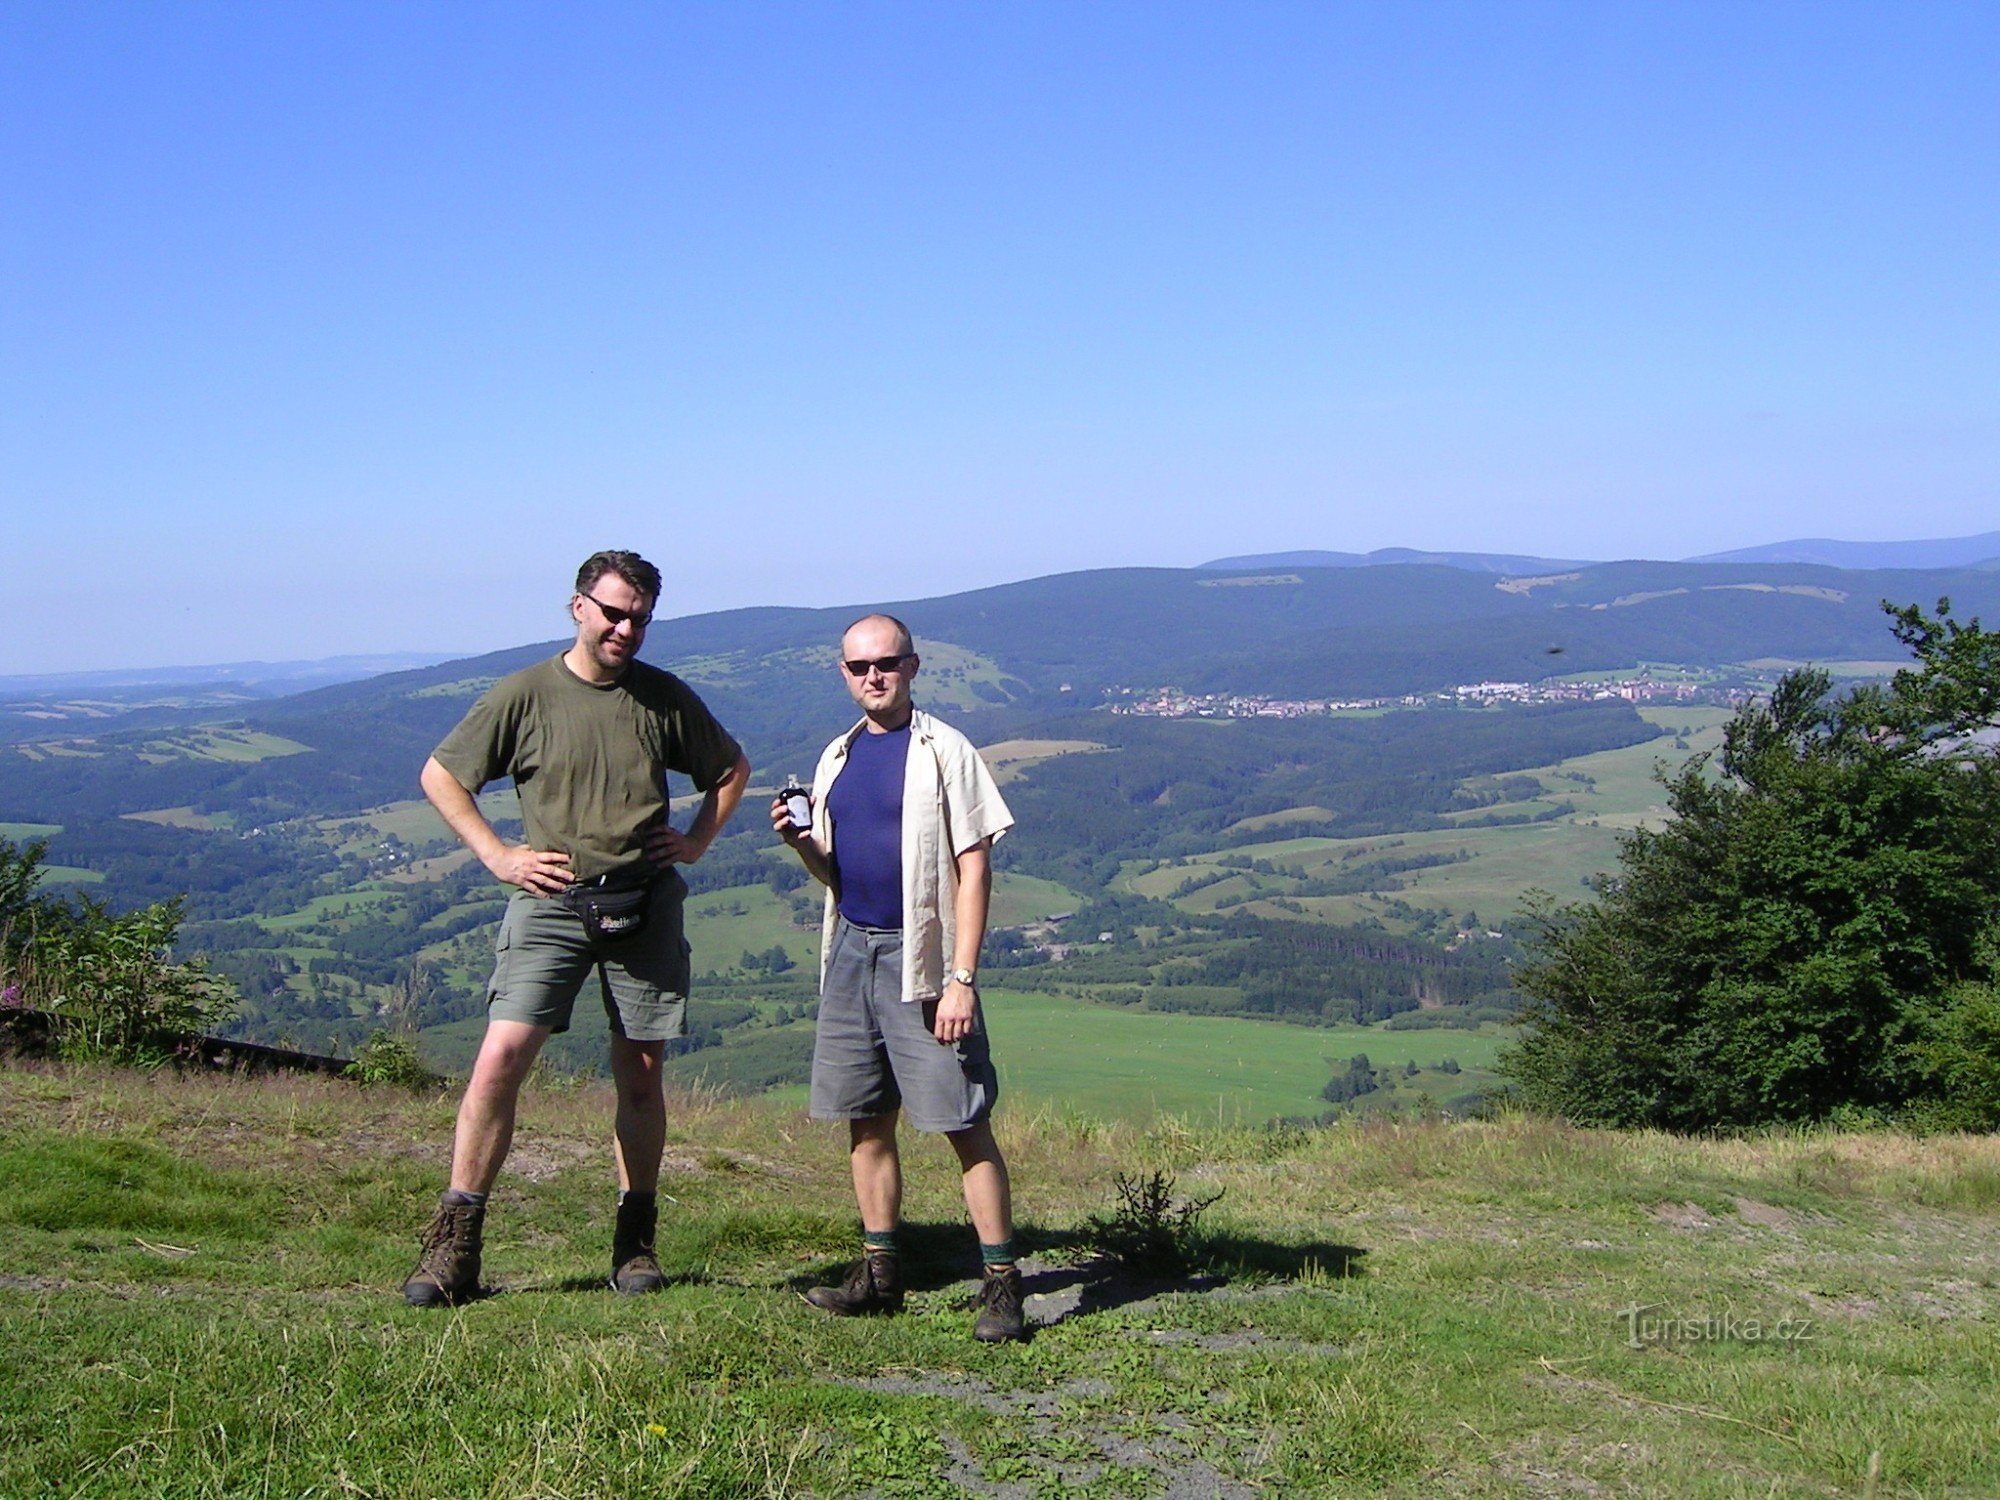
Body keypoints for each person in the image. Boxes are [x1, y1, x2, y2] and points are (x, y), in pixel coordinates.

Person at [402, 549, 749, 1306]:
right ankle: (454, 1246)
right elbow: (440, 774)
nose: (627, 628)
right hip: (551, 902)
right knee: (500, 1059)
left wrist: (694, 841)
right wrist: (497, 854)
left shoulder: (663, 699)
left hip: (645, 900)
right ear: (578, 607)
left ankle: (635, 1244)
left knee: (643, 1076)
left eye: (641, 619)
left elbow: (729, 770)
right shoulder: (524, 695)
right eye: (616, 612)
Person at [771, 612, 1025, 1342]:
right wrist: (800, 843)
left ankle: (1003, 1282)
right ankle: (880, 1272)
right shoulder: (838, 756)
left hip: (925, 961)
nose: (873, 676)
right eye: (859, 667)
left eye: (887, 663)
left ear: (913, 667)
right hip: (852, 949)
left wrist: (962, 978)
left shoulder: (946, 750)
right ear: (844, 674)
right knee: (866, 1117)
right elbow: (834, 872)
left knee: (962, 1118)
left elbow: (974, 868)